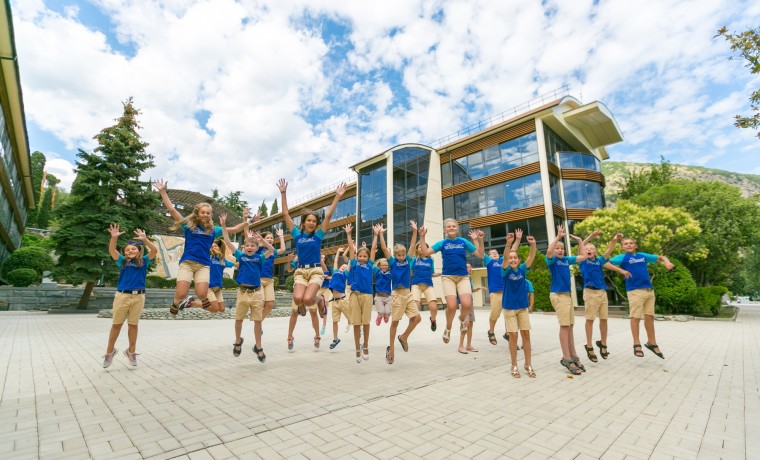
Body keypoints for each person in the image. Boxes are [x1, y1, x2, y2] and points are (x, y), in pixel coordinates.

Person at [153, 179, 249, 315]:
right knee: (181, 294)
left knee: (202, 293)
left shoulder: (214, 230)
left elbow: (234, 229)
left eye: (208, 213)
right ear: (197, 213)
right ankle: (175, 303)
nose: (205, 214)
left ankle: (195, 303)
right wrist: (163, 192)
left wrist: (246, 219)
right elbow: (172, 210)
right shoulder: (189, 226)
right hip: (187, 263)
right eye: (203, 212)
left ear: (211, 215)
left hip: (203, 265)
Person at [276, 178, 346, 350]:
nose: (312, 223)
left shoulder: (318, 236)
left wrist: (337, 197)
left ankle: (320, 299)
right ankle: (316, 301)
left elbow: (328, 216)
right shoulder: (297, 235)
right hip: (300, 272)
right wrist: (283, 193)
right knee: (297, 298)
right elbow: (285, 214)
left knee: (308, 300)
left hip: (315, 271)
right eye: (309, 220)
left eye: (314, 221)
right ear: (303, 222)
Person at [605, 236, 674, 359]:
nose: (629, 245)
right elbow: (604, 262)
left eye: (631, 243)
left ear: (635, 245)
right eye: (626, 244)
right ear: (622, 247)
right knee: (635, 317)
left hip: (649, 291)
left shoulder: (642, 256)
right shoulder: (622, 257)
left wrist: (667, 262)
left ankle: (652, 342)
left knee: (650, 317)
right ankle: (636, 344)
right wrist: (621, 271)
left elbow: (661, 257)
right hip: (635, 291)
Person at [417, 219, 484, 345]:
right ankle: (448, 328)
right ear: (445, 229)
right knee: (452, 306)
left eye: (454, 226)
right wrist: (422, 237)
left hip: (463, 277)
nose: (451, 228)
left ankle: (462, 320)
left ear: (457, 229)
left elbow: (480, 254)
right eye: (449, 226)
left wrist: (480, 240)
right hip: (448, 277)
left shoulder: (463, 242)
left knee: (467, 304)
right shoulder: (442, 243)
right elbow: (425, 253)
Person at [102, 224, 158, 368]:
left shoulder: (144, 261)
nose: (130, 251)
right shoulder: (122, 261)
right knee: (116, 324)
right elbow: (112, 250)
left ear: (139, 251)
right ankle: (109, 352)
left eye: (133, 249)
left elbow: (154, 250)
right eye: (127, 250)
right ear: (124, 253)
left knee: (133, 325)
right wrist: (114, 238)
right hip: (122, 296)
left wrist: (145, 239)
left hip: (139, 297)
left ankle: (131, 352)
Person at [221, 217, 274, 362]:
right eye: (247, 245)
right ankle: (238, 341)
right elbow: (227, 241)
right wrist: (224, 225)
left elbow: (271, 249)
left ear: (256, 248)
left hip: (256, 293)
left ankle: (258, 346)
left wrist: (262, 240)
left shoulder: (260, 258)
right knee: (239, 319)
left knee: (258, 321)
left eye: (252, 245)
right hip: (243, 292)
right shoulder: (241, 256)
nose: (249, 247)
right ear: (243, 247)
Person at [376, 223, 422, 365]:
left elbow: (413, 245)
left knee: (417, 318)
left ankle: (403, 337)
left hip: (408, 293)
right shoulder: (392, 262)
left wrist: (415, 231)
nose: (401, 257)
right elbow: (384, 248)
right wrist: (381, 234)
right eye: (399, 255)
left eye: (403, 255)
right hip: (396, 294)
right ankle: (391, 350)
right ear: (395, 255)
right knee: (395, 323)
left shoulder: (408, 260)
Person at [578, 231, 627, 362]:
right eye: (587, 248)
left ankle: (603, 344)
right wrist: (591, 236)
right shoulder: (582, 260)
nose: (589, 250)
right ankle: (589, 346)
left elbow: (608, 251)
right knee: (590, 319)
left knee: (604, 319)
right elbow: (581, 246)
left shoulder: (599, 261)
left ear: (595, 252)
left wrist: (615, 240)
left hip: (602, 292)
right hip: (590, 293)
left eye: (591, 248)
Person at [546, 224, 588, 375]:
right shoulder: (552, 261)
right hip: (558, 295)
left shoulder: (566, 260)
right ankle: (566, 358)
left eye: (562, 248)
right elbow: (548, 252)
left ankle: (573, 355)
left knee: (570, 326)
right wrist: (558, 237)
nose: (560, 250)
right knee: (564, 326)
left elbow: (584, 257)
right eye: (557, 248)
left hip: (567, 296)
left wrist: (580, 241)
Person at [501, 229, 537, 378]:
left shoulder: (523, 270)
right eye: (511, 258)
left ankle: (528, 364)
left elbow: (531, 257)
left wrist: (533, 245)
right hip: (509, 308)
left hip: (522, 308)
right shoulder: (505, 271)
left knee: (526, 335)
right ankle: (514, 365)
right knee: (513, 336)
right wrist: (508, 244)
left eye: (515, 258)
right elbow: (505, 258)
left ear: (519, 260)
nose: (513, 260)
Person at [344, 223, 373, 363]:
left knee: (366, 322)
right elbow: (351, 248)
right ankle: (357, 348)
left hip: (367, 295)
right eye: (360, 256)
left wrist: (377, 235)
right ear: (356, 256)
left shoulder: (370, 265)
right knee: (356, 323)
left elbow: (373, 248)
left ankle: (365, 346)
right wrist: (349, 234)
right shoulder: (354, 264)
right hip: (355, 294)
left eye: (364, 256)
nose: (362, 258)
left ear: (368, 257)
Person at [408, 221, 440, 331]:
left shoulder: (430, 260)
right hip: (416, 284)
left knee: (433, 306)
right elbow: (409, 271)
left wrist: (440, 274)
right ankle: (412, 319)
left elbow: (432, 273)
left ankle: (433, 320)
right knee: (415, 306)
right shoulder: (414, 259)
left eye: (424, 247)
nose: (422, 248)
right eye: (420, 247)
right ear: (417, 249)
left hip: (428, 285)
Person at [186, 239, 233, 312]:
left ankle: (191, 302)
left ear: (220, 248)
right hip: (208, 287)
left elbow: (236, 264)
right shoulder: (207, 258)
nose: (213, 248)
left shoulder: (222, 260)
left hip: (218, 288)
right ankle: (192, 303)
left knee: (222, 309)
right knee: (215, 309)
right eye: (211, 246)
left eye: (215, 246)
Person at [259, 229, 286, 320]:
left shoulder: (273, 251)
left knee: (270, 304)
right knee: (261, 302)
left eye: (271, 238)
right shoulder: (258, 249)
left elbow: (282, 250)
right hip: (258, 279)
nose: (270, 239)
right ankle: (257, 321)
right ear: (263, 239)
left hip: (269, 280)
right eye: (268, 238)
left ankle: (259, 321)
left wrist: (281, 236)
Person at [457, 264, 484, 354]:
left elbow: (470, 290)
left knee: (471, 323)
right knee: (466, 323)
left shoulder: (469, 278)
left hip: (470, 302)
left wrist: (478, 288)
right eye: (467, 267)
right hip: (463, 303)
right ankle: (461, 346)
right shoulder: (461, 278)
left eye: (470, 267)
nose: (469, 268)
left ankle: (468, 345)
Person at [328, 247, 351, 349]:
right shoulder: (335, 272)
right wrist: (337, 252)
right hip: (334, 302)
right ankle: (335, 339)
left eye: (345, 267)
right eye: (342, 266)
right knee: (335, 321)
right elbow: (336, 261)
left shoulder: (345, 274)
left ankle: (359, 330)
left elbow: (350, 263)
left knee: (351, 319)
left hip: (342, 300)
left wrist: (352, 250)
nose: (343, 267)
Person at [483, 248, 505, 346]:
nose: (494, 254)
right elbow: (480, 252)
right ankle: (491, 332)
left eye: (496, 252)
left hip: (506, 292)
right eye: (492, 253)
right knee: (495, 315)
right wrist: (477, 241)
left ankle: (509, 334)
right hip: (495, 293)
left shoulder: (503, 261)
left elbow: (512, 249)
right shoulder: (489, 262)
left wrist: (517, 240)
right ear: (489, 256)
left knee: (509, 314)